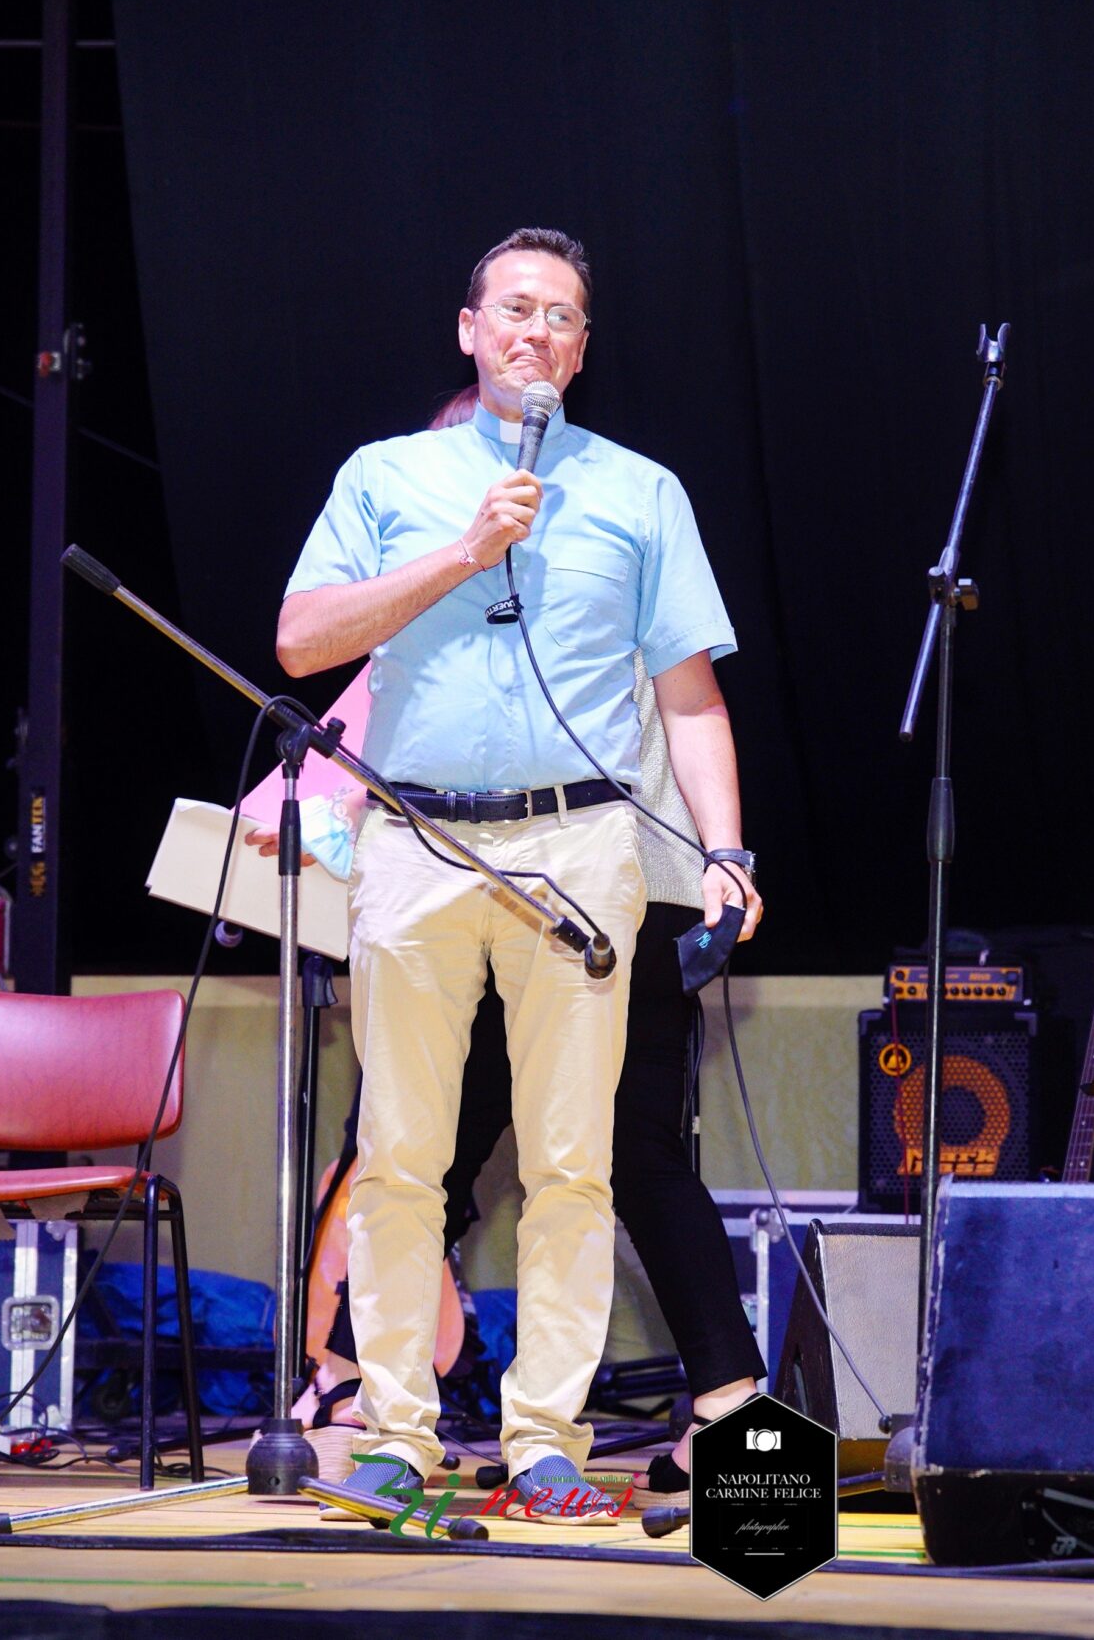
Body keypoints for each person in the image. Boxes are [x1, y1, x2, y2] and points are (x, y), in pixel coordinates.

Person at [275, 227, 762, 1523]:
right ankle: (395, 1435)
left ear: (582, 349)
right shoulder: (386, 475)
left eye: (560, 317)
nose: (535, 331)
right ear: (470, 328)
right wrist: (459, 554)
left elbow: (692, 699)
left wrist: (725, 849)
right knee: (400, 1157)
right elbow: (302, 640)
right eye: (514, 309)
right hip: (416, 842)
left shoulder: (642, 492)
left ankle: (545, 1439)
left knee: (573, 1163)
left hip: (580, 851)